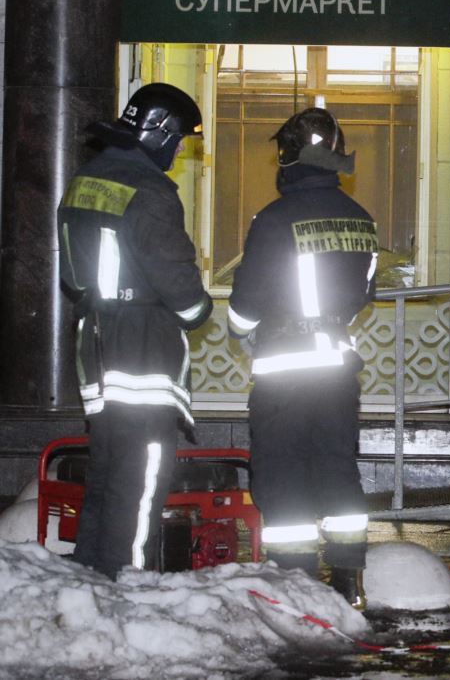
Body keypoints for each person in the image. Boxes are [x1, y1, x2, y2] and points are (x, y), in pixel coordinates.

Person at [57, 84, 212, 577]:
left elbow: (73, 278)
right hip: (143, 345)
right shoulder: (150, 191)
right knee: (143, 473)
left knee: (106, 468)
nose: (180, 149)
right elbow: (181, 290)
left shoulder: (86, 177)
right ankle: (129, 581)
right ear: (159, 130)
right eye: (180, 138)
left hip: (96, 339)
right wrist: (198, 308)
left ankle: (92, 572)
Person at [228, 108, 379, 605]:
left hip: (285, 369)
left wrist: (245, 333)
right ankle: (348, 579)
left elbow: (247, 301)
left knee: (281, 469)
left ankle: (292, 580)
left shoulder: (273, 219)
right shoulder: (360, 219)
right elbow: (363, 295)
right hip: (336, 365)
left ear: (288, 156)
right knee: (337, 467)